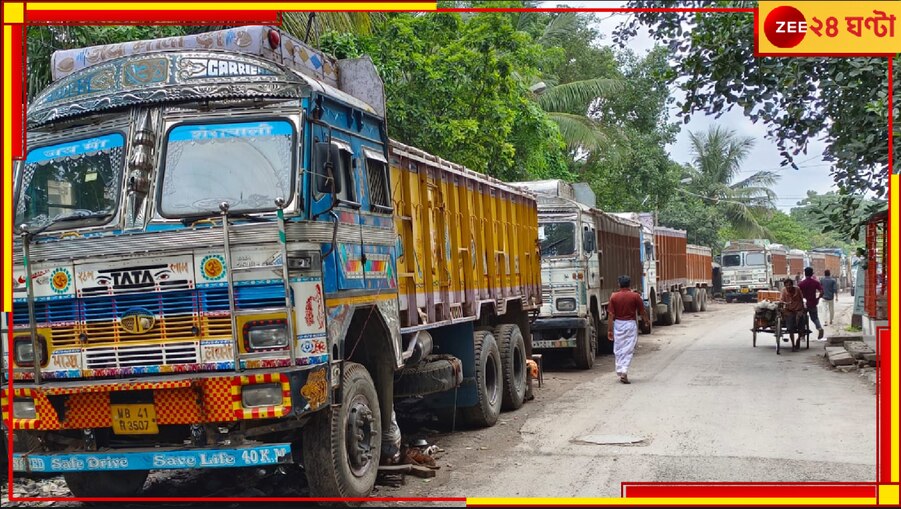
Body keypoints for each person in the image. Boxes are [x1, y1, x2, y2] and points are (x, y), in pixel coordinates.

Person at [607, 275, 650, 384]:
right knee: (628, 349)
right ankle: (624, 371)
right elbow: (642, 311)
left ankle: (620, 370)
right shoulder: (635, 296)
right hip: (630, 324)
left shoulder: (613, 297)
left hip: (618, 325)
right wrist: (646, 321)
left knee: (619, 348)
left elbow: (611, 315)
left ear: (619, 284)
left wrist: (610, 330)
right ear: (629, 284)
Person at [798, 267, 825, 339]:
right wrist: (818, 298)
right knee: (814, 318)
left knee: (802, 319)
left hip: (803, 304)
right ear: (812, 274)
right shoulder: (815, 282)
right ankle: (819, 328)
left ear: (805, 273)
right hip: (812, 303)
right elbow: (822, 291)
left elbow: (797, 293)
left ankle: (802, 334)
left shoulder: (801, 284)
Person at [780, 278, 806, 351]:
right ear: (785, 286)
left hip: (798, 310)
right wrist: (783, 303)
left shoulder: (797, 290)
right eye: (787, 285)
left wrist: (802, 309)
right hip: (789, 311)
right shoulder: (783, 291)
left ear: (792, 285)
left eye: (790, 285)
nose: (788, 287)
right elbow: (781, 300)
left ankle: (798, 339)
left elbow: (802, 299)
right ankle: (793, 345)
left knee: (801, 326)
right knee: (791, 328)